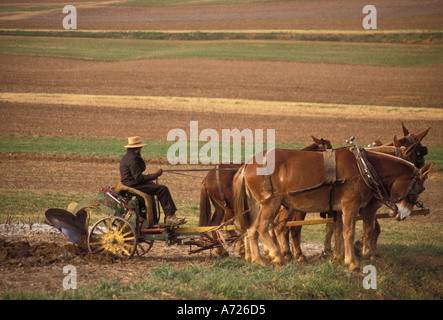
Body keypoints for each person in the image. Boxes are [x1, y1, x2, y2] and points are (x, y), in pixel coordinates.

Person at [119, 136, 185, 225]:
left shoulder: (128, 156)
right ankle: (169, 216)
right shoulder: (132, 159)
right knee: (162, 189)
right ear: (138, 148)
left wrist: (152, 177)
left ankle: (168, 216)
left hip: (131, 182)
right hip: (133, 184)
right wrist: (155, 175)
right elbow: (138, 178)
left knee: (157, 187)